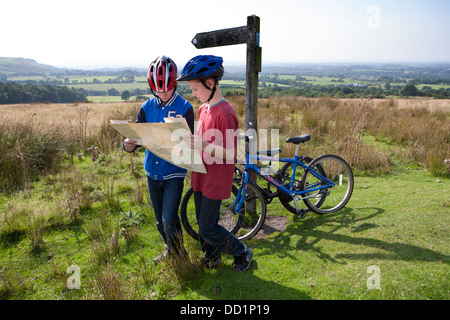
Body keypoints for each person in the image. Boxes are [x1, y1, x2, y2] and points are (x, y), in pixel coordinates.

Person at [177, 55, 252, 272]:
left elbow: (230, 154)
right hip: (200, 174)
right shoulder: (204, 109)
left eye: (195, 88)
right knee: (203, 225)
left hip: (215, 178)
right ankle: (212, 257)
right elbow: (205, 142)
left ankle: (242, 251)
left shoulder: (226, 112)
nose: (193, 93)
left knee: (208, 228)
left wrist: (200, 144)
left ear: (210, 83)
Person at [123, 55, 194, 262]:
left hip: (173, 172)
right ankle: (172, 249)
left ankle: (181, 259)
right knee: (159, 222)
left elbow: (189, 144)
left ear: (174, 84)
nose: (163, 93)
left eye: (167, 88)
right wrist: (128, 145)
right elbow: (136, 137)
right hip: (151, 173)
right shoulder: (146, 108)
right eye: (158, 89)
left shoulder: (185, 108)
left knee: (169, 220)